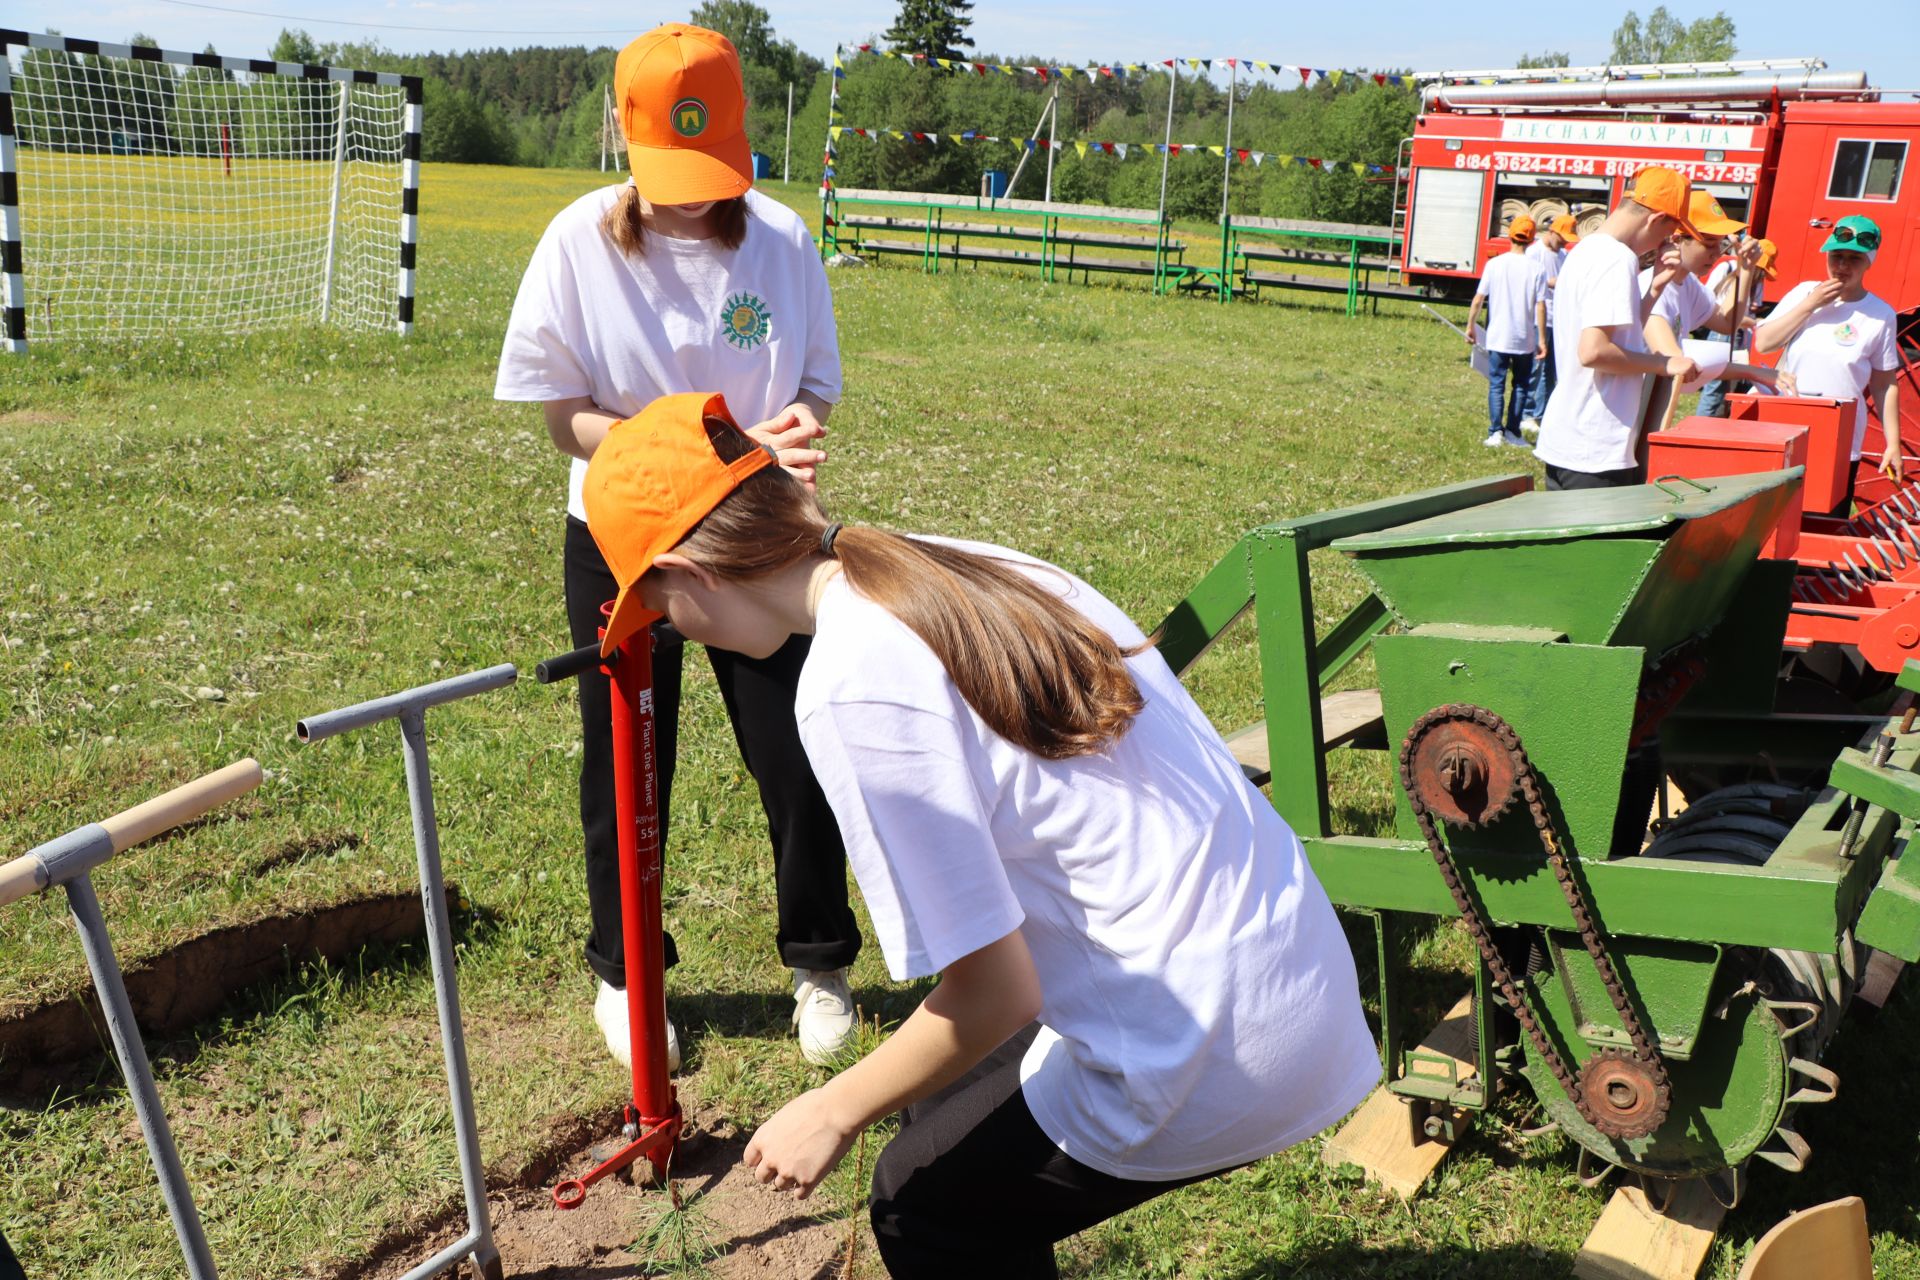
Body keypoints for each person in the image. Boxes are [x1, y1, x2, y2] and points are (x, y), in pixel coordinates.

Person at [581, 392, 1380, 1278]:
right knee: (943, 1112)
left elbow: (996, 993)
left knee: (919, 1204)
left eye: (660, 614)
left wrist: (831, 1110)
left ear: (690, 575)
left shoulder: (851, 683)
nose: (676, 634)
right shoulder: (966, 564)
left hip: (1207, 1047)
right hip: (1297, 970)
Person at [494, 23, 862, 1070]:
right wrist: (693, 452)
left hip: (759, 533)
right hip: (622, 537)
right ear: (621, 133)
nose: (691, 195)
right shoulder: (576, 243)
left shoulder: (784, 241)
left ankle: (821, 958)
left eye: (709, 171)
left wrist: (778, 433)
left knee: (797, 747)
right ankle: (626, 972)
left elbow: (815, 383)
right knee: (625, 757)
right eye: (668, 171)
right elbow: (563, 413)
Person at [1532, 167, 1701, 490]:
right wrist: (1666, 363)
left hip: (1571, 437)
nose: (1667, 242)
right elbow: (1594, 351)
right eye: (1670, 231)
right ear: (1655, 219)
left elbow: (1616, 335)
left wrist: (1653, 289)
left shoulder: (1588, 249)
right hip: (1595, 446)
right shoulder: (1616, 259)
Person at [1754, 213, 1905, 513]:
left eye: (1854, 259)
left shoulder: (1880, 314)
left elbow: (1884, 382)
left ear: (1869, 262)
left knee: (1824, 515)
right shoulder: (1803, 293)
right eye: (1836, 256)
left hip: (1840, 439)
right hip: (1786, 429)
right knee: (1775, 516)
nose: (1842, 266)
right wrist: (1810, 305)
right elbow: (1764, 342)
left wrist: (1893, 443)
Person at [1466, 214, 1548, 448]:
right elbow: (1540, 305)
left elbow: (1478, 299)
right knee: (1521, 385)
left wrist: (1471, 325)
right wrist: (1542, 338)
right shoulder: (1537, 269)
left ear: (1510, 235)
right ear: (1532, 239)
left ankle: (1495, 432)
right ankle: (1513, 431)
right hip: (1524, 338)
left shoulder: (1494, 264)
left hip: (1498, 337)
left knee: (1496, 385)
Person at [1697, 237, 1778, 417]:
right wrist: (1752, 322)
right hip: (1721, 334)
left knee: (1729, 389)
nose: (1762, 275)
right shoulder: (1727, 268)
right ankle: (1700, 425)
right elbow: (1713, 309)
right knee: (1714, 387)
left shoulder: (1755, 280)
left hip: (1740, 336)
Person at [1521, 213, 1578, 435]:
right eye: (1562, 237)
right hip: (1539, 318)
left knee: (1554, 369)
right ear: (1551, 231)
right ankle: (1528, 413)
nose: (1564, 242)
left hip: (1559, 319)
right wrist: (1554, 282)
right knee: (1537, 368)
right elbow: (1527, 281)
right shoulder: (1534, 253)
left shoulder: (1564, 255)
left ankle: (1543, 413)